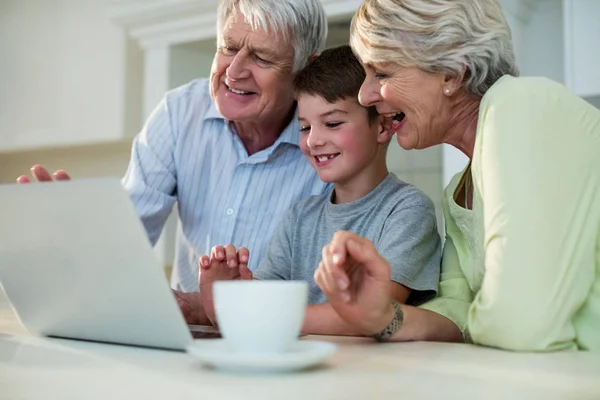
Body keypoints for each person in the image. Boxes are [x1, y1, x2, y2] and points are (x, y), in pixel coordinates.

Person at [15, 0, 330, 324]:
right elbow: (127, 241)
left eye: (262, 57)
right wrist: (78, 237)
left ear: (305, 69)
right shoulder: (179, 112)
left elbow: (331, 296)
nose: (234, 72)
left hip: (286, 341)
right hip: (186, 337)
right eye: (228, 47)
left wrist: (204, 307)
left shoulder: (332, 143)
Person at [313, 0, 600, 350]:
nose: (365, 95)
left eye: (382, 74)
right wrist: (380, 315)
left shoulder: (520, 103)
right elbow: (458, 311)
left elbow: (520, 324)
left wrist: (471, 320)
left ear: (451, 74)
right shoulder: (458, 191)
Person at [197, 45, 441, 337]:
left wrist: (264, 317)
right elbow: (259, 307)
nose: (313, 141)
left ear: (383, 125)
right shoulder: (301, 216)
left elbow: (374, 313)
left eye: (332, 123)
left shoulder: (407, 210)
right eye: (304, 128)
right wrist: (225, 293)